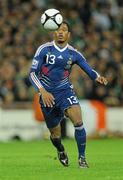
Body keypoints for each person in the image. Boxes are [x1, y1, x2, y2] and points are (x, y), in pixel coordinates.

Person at [29, 21, 108, 168]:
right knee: (55, 135)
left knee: (78, 122)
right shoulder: (44, 49)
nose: (60, 32)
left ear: (68, 34)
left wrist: (98, 77)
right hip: (47, 97)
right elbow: (32, 74)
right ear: (54, 32)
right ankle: (60, 149)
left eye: (64, 30)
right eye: (58, 30)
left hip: (65, 91)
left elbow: (89, 70)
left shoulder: (74, 53)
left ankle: (82, 158)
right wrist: (43, 91)